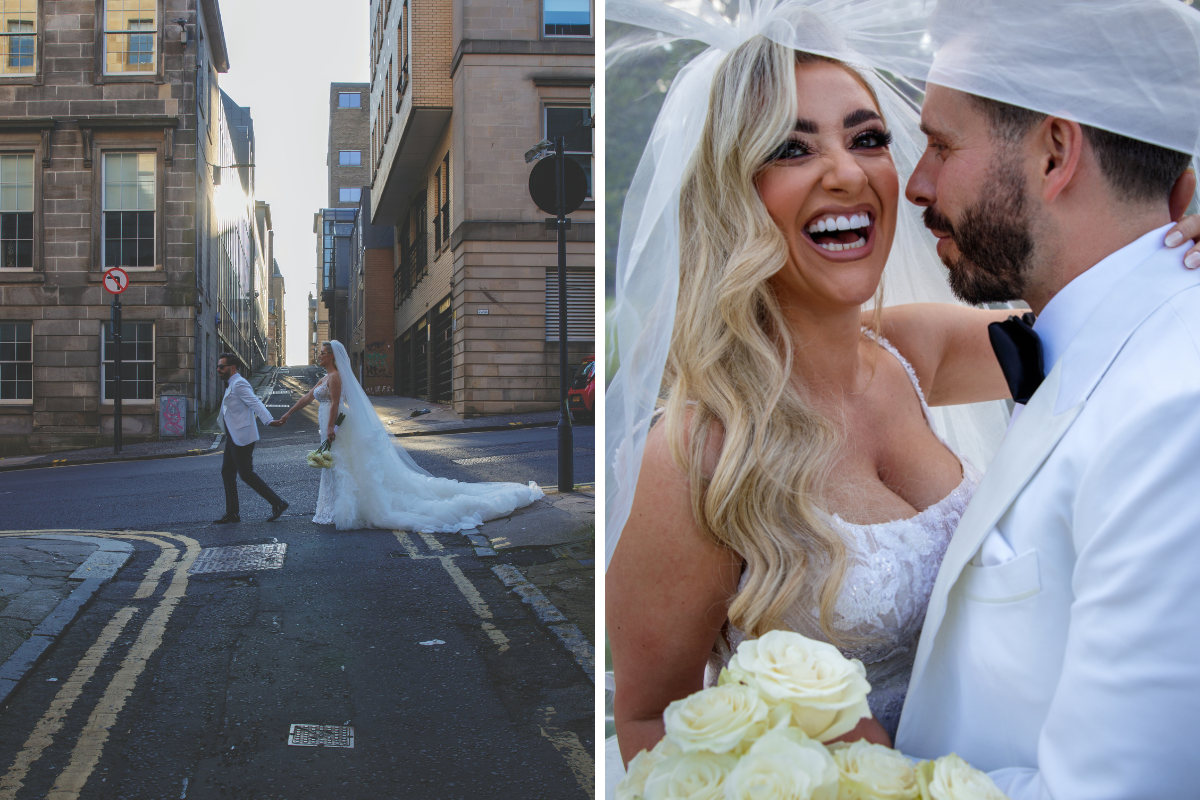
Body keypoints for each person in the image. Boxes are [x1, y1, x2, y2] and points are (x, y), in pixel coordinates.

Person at [602, 0, 1200, 781]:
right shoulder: (695, 457)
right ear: (734, 193)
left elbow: (1106, 306)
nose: (849, 171)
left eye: (870, 137)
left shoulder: (919, 351)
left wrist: (1177, 228)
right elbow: (651, 719)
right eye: (791, 147)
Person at [893, 1, 1200, 796]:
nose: (916, 184)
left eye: (940, 144)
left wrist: (853, 773)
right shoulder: (1095, 343)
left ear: (1055, 152)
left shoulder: (1177, 413)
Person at [274, 341, 543, 531]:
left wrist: (331, 427)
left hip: (338, 426)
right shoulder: (324, 378)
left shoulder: (335, 379)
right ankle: (331, 509)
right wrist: (287, 415)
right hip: (331, 425)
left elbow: (334, 404)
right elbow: (309, 397)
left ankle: (345, 511)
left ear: (332, 356)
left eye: (321, 353)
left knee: (343, 465)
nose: (318, 355)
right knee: (335, 467)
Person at [214, 352, 288, 524]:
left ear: (232, 368)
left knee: (246, 474)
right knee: (227, 472)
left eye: (221, 366)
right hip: (233, 435)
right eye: (218, 366)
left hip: (242, 436)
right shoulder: (231, 383)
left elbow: (255, 402)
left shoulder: (239, 383)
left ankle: (278, 502)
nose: (218, 369)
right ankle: (232, 513)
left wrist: (269, 420)